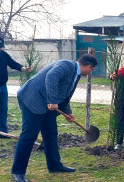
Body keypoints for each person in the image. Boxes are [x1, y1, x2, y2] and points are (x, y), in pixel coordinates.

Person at [10, 54, 98, 182]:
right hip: (32, 99)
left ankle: (54, 165)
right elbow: (51, 77)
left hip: (46, 104)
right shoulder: (66, 65)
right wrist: (52, 100)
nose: (91, 72)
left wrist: (68, 112)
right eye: (92, 70)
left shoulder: (75, 73)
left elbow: (65, 93)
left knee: (51, 133)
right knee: (29, 136)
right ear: (89, 67)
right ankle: (17, 172)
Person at [0, 37, 32, 136]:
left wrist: (24, 69)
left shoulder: (3, 54)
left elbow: (13, 64)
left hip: (2, 87)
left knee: (3, 110)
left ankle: (3, 132)